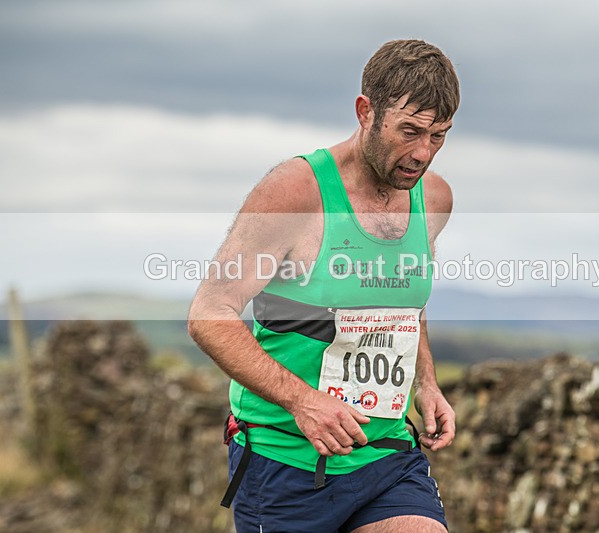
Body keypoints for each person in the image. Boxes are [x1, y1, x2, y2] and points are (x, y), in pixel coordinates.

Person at [188, 39, 459, 533]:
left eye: (438, 135)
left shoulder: (434, 198)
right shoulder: (295, 191)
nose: (422, 153)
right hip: (285, 462)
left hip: (385, 455)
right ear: (365, 112)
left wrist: (426, 382)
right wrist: (304, 402)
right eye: (410, 131)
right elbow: (210, 314)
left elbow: (402, 303)